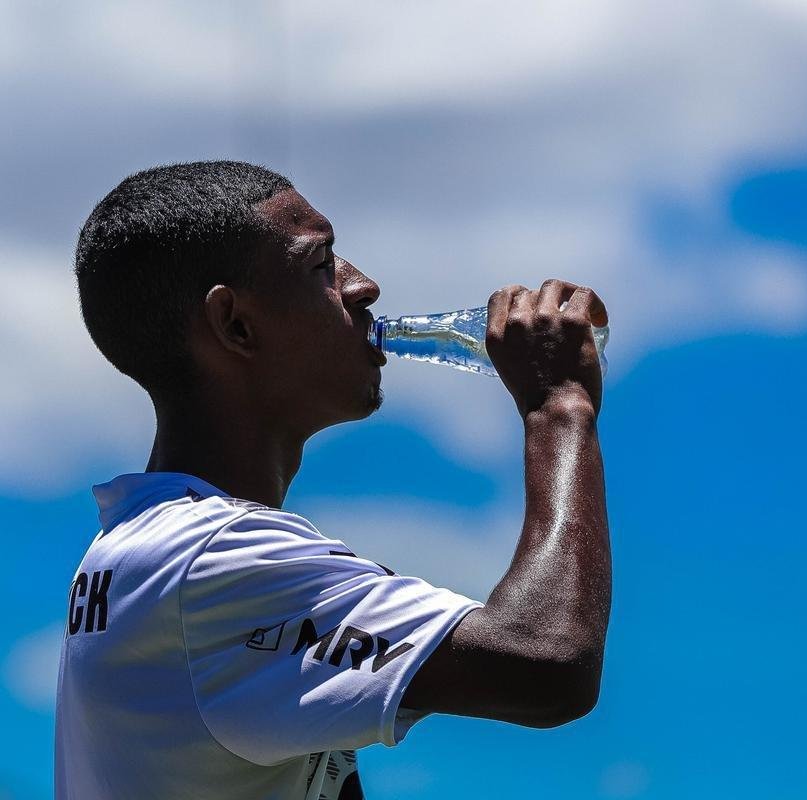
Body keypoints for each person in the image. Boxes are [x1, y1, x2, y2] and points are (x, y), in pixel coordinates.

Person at [55, 161, 611, 799]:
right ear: (235, 324)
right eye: (322, 265)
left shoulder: (142, 548)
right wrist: (559, 409)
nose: (364, 286)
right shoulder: (209, 561)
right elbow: (544, 657)